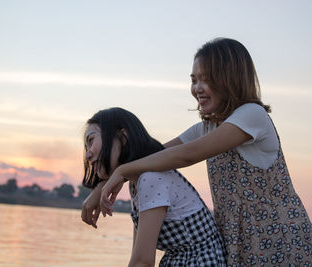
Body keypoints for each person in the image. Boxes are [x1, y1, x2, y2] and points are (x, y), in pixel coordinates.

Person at [98, 38, 312, 266]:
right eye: (194, 80)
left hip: (278, 238)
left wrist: (122, 171)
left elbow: (188, 154)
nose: (197, 89)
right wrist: (101, 188)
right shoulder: (206, 128)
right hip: (235, 241)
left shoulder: (252, 115)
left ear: (230, 79)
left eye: (207, 79)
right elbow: (152, 156)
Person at [82, 107, 227, 266]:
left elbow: (143, 261)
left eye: (91, 141)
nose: (88, 154)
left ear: (123, 137)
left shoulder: (150, 179)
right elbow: (137, 257)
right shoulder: (137, 181)